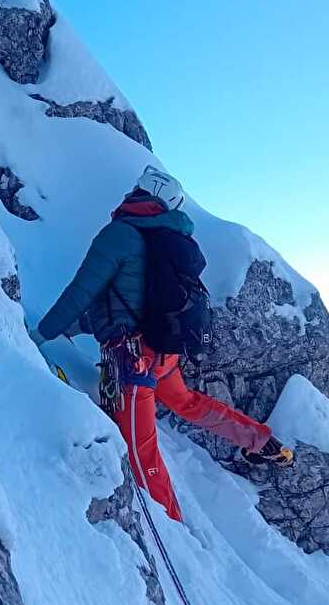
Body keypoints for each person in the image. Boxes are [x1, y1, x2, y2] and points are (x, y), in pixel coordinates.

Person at [30, 165, 292, 523]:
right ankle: (259, 440)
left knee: (140, 453)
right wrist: (75, 329)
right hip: (162, 350)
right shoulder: (165, 238)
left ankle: (172, 529)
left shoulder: (119, 234)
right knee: (187, 402)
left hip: (134, 356)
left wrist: (41, 333)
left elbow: (83, 291)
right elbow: (123, 301)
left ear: (141, 193)